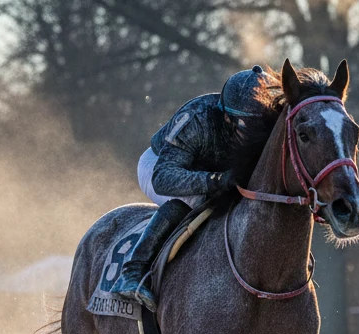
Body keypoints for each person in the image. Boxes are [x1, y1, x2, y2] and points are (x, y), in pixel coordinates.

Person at [112, 65, 276, 312]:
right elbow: (164, 178)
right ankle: (133, 271)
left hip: (212, 173)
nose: (256, 135)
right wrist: (216, 181)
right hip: (159, 166)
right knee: (193, 201)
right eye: (247, 126)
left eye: (261, 126)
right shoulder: (197, 118)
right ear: (227, 117)